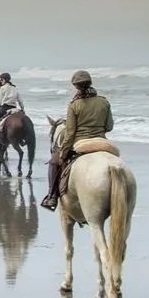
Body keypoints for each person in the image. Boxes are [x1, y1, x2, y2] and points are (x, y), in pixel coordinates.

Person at [41, 70, 114, 210]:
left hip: (80, 142)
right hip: (101, 141)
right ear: (90, 83)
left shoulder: (74, 105)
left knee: (54, 162)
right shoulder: (104, 102)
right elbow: (109, 126)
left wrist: (63, 152)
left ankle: (51, 197)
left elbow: (70, 132)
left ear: (76, 87)